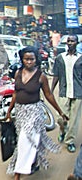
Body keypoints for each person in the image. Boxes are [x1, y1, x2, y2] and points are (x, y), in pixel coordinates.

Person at [6, 46, 68, 180]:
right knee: (29, 140)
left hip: (34, 111)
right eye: (26, 59)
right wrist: (9, 111)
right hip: (21, 111)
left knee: (24, 139)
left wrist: (60, 112)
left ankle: (17, 172)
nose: (29, 62)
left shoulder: (41, 76)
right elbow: (15, 93)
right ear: (22, 59)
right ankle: (33, 162)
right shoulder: (18, 73)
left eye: (31, 59)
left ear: (36, 60)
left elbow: (49, 95)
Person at [51, 34, 82, 153]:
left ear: (77, 43)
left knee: (74, 119)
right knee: (60, 117)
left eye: (72, 41)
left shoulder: (80, 58)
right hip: (64, 91)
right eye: (68, 41)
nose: (70, 43)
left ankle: (70, 141)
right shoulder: (60, 58)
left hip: (78, 92)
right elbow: (56, 75)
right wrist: (51, 90)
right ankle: (63, 130)